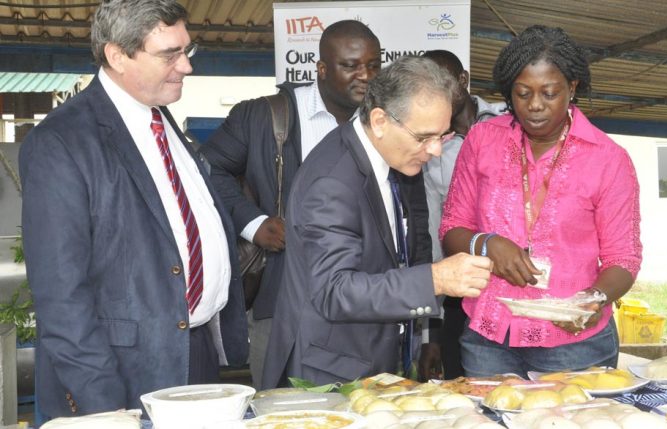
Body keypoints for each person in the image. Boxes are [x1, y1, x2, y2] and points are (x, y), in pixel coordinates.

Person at [19, 0, 247, 419]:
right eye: (168, 55)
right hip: (122, 377)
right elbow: (61, 296)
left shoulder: (161, 121)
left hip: (194, 357)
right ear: (116, 55)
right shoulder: (62, 142)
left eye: (187, 50)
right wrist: (104, 405)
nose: (186, 67)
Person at [261, 56, 494, 389]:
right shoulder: (332, 183)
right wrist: (435, 279)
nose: (436, 151)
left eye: (442, 136)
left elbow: (407, 252)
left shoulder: (398, 160)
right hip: (334, 373)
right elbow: (334, 290)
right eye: (424, 137)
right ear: (381, 120)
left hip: (381, 357)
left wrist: (426, 334)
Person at [441, 25, 642, 377]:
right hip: (488, 336)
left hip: (573, 344)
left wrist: (594, 299)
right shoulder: (483, 140)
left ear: (572, 88)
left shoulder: (608, 158)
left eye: (549, 93)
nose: (534, 105)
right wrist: (485, 243)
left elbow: (623, 257)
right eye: (522, 93)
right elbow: (451, 230)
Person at [199, 20, 382, 385]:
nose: (365, 76)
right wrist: (253, 223)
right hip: (280, 295)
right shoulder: (263, 116)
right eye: (350, 66)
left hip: (363, 302)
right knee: (280, 409)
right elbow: (206, 168)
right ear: (322, 68)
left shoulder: (385, 121)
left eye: (374, 66)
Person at [419, 49, 507, 381]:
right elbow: (431, 239)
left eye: (444, 83)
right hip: (466, 296)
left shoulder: (508, 120)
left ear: (464, 80)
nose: (437, 94)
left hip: (524, 291)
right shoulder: (431, 150)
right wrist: (432, 334)